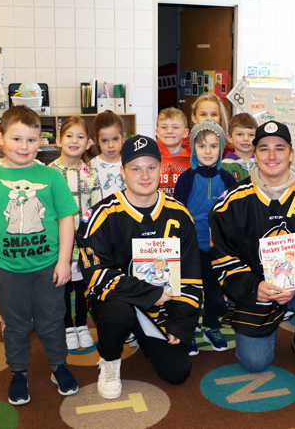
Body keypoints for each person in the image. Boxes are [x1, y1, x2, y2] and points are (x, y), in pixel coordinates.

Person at [209, 120, 295, 374]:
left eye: (280, 148)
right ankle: (259, 315)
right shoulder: (231, 202)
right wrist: (252, 287)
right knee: (255, 364)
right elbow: (222, 257)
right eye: (264, 148)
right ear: (255, 154)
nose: (272, 156)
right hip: (255, 287)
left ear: (291, 154)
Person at [76, 135, 202, 400]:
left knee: (178, 373)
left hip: (161, 307)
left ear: (161, 169)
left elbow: (191, 275)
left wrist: (179, 325)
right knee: (117, 312)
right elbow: (95, 275)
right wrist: (147, 292)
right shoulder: (101, 214)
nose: (144, 175)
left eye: (151, 167)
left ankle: (142, 334)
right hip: (117, 303)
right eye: (135, 168)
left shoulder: (179, 214)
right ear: (122, 172)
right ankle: (110, 359)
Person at [0, 106, 79, 405]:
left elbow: (66, 219)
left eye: (32, 140)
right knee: (15, 324)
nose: (24, 146)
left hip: (48, 268)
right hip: (6, 269)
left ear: (41, 142)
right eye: (17, 139)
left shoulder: (51, 177)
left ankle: (59, 365)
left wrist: (63, 261)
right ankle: (18, 371)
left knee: (52, 321)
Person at [173, 120, 237, 355]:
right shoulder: (186, 179)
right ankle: (188, 330)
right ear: (193, 148)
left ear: (221, 149)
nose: (208, 151)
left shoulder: (229, 180)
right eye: (202, 146)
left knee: (216, 297)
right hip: (190, 248)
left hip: (217, 249)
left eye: (213, 146)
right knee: (189, 294)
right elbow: (178, 213)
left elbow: (233, 214)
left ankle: (211, 326)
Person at [47, 116, 101, 350]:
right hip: (58, 243)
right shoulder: (48, 174)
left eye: (80, 136)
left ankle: (81, 324)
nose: (74, 141)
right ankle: (67, 325)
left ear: (88, 143)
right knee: (62, 286)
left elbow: (98, 207)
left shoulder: (90, 173)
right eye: (69, 135)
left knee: (82, 286)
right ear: (59, 140)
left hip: (84, 242)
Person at [90, 111, 126, 199]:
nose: (111, 145)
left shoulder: (129, 164)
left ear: (123, 137)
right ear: (97, 141)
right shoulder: (90, 166)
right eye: (104, 141)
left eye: (115, 139)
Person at [156, 108, 191, 196]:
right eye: (164, 127)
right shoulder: (151, 157)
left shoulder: (193, 159)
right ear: (157, 132)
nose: (169, 131)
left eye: (175, 127)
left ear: (185, 132)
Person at [221, 113, 258, 181]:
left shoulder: (261, 163)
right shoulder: (224, 166)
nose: (246, 139)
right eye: (240, 134)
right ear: (230, 138)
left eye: (251, 135)